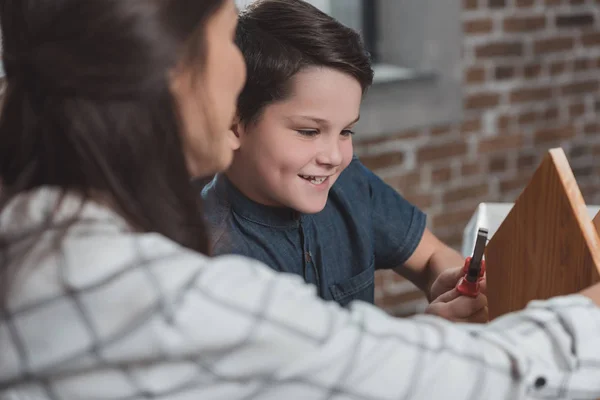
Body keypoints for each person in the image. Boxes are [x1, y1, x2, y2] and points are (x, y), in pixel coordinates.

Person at [0, 0, 599, 399]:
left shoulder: (48, 231)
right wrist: (585, 314)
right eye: (224, 43)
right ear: (175, 77)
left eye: (346, 131)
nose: (334, 153)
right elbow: (408, 375)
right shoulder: (179, 281)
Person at [200, 0, 479, 321]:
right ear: (233, 124)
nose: (334, 157)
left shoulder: (349, 183)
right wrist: (432, 332)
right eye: (308, 131)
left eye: (346, 131)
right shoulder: (215, 261)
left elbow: (432, 256)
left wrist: (452, 283)